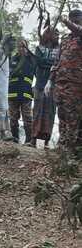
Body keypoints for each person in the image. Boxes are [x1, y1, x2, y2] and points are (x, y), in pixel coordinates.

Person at [48, 9, 82, 156]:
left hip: (75, 84)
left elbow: (79, 30)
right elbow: (57, 61)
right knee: (61, 115)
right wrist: (50, 81)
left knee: (72, 116)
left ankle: (71, 150)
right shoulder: (65, 39)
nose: (74, 21)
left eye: (77, 19)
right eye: (72, 18)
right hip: (60, 83)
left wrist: (66, 21)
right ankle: (62, 147)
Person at [31, 27, 60, 148]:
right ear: (48, 35)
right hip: (40, 84)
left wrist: (48, 63)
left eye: (58, 34)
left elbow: (57, 64)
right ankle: (33, 139)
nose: (57, 36)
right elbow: (38, 62)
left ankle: (47, 141)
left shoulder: (59, 49)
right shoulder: (39, 48)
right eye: (55, 33)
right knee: (37, 111)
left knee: (50, 112)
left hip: (53, 85)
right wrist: (49, 63)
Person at [8, 37, 36, 144]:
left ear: (27, 47)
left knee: (28, 118)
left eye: (23, 46)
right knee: (13, 118)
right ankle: (15, 138)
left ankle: (29, 140)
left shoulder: (31, 60)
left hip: (26, 94)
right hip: (13, 94)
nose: (21, 48)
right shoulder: (13, 59)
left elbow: (38, 72)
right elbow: (9, 73)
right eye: (19, 46)